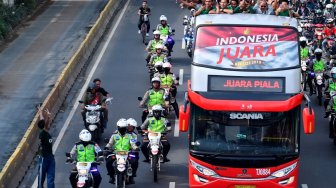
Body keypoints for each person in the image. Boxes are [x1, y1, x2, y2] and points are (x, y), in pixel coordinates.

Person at [105, 119, 138, 184]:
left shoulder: (130, 136)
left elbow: (133, 144)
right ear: (118, 127)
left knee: (134, 162)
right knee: (108, 161)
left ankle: (131, 177)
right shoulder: (114, 135)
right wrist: (107, 147)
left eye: (124, 128)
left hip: (127, 153)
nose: (122, 129)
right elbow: (110, 143)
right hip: (115, 152)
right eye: (121, 128)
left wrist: (136, 148)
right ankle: (111, 176)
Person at [37, 105, 55, 188]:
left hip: (50, 158)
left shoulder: (45, 130)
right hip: (43, 158)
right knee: (41, 180)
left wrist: (41, 113)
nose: (47, 122)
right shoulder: (42, 134)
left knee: (51, 179)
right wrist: (47, 116)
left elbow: (44, 122)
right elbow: (44, 122)